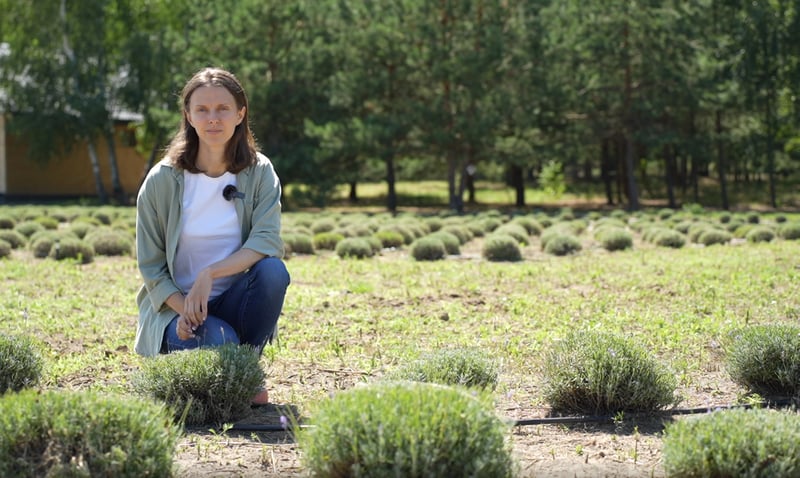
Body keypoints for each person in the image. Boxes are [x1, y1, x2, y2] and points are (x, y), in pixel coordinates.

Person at [134, 67, 290, 405]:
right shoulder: (161, 181)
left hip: (235, 301)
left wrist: (210, 274)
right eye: (202, 109)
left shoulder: (260, 172)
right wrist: (185, 310)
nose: (213, 118)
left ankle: (245, 362)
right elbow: (151, 267)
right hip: (177, 311)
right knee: (222, 341)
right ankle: (228, 358)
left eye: (223, 108)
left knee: (273, 271)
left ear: (240, 114)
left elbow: (266, 242)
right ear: (189, 116)